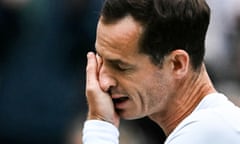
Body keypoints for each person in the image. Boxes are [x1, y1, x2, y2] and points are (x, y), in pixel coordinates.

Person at [82, 0, 240, 143]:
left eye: (121, 67)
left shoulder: (209, 132)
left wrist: (101, 124)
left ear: (177, 64)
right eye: (100, 60)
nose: (102, 82)